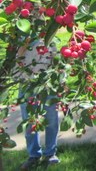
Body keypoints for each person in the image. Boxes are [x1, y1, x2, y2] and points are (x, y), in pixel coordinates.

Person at [16, 38, 60, 170]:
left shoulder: (50, 35)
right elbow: (17, 61)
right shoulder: (20, 34)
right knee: (30, 121)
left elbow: (56, 60)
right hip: (27, 84)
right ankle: (34, 155)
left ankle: (50, 153)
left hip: (48, 84)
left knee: (51, 119)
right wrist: (23, 45)